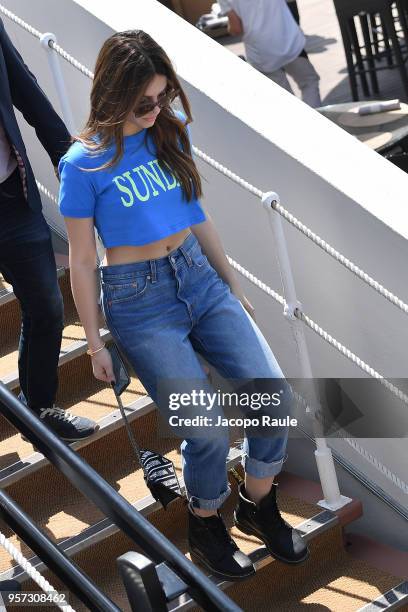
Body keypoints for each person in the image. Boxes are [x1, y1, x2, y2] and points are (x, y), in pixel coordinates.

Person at [58, 29, 309, 580]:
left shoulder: (169, 134)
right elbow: (80, 260)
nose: (155, 110)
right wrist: (94, 341)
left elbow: (198, 215)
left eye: (163, 97)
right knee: (208, 429)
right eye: (143, 101)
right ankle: (205, 523)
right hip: (138, 301)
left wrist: (231, 285)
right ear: (113, 92)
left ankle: (257, 503)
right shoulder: (83, 163)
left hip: (198, 276)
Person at [0, 18, 98, 441]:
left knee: (46, 305)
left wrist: (71, 165)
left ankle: (38, 408)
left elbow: (27, 91)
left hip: (10, 196)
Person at [218, 0, 322, 108]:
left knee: (285, 101)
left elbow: (236, 28)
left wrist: (229, 27)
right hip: (288, 38)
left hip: (261, 50)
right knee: (309, 82)